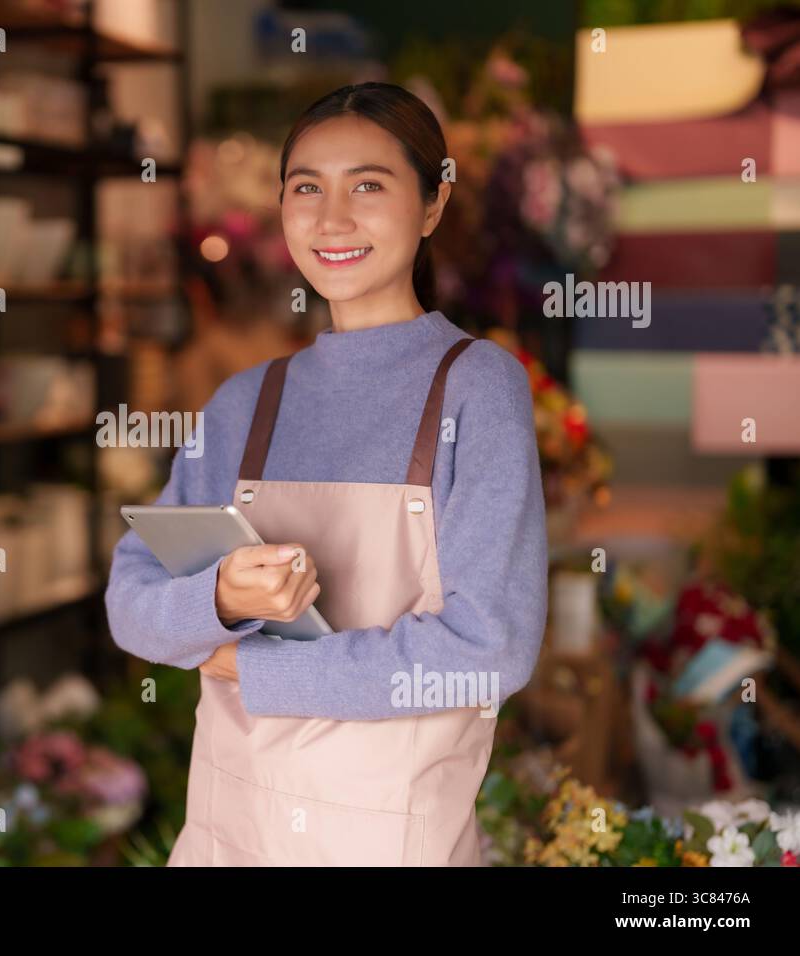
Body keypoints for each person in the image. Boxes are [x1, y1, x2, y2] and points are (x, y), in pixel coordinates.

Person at [104, 82, 548, 866]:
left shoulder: (478, 387)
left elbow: (487, 651)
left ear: (434, 204)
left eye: (368, 187)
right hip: (226, 835)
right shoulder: (247, 402)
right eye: (306, 187)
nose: (331, 219)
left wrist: (244, 661)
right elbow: (130, 603)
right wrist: (217, 599)